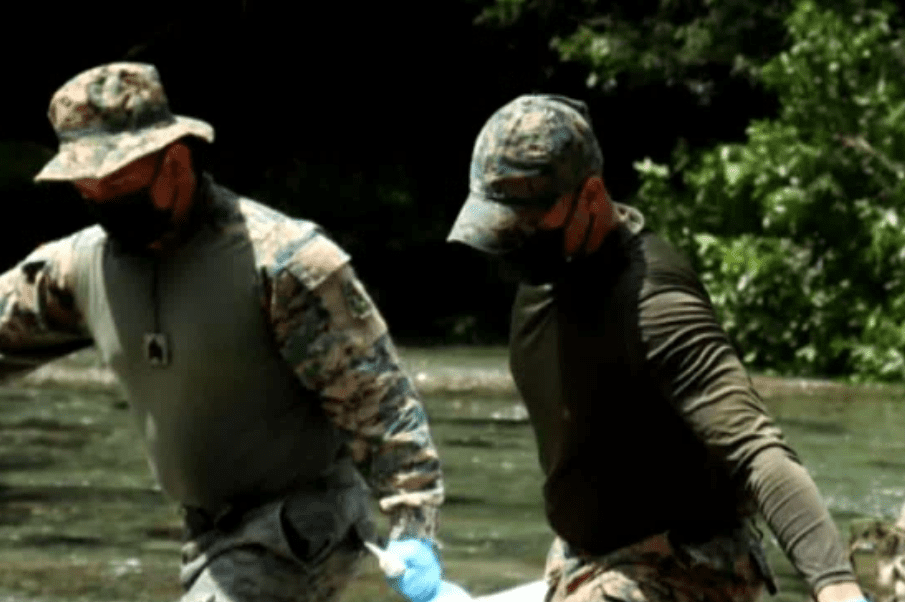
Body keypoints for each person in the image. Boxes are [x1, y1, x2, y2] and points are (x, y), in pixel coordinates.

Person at [0, 61, 451, 602]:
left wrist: (413, 529)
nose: (102, 199)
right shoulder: (79, 267)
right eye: (86, 188)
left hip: (305, 524)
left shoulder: (285, 265)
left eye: (117, 182)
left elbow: (384, 407)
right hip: (206, 529)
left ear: (175, 161)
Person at [446, 94, 868, 602]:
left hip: (686, 569)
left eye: (528, 223)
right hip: (582, 560)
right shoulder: (547, 278)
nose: (511, 241)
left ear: (592, 197)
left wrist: (836, 586)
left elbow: (758, 451)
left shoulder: (653, 303)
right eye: (500, 224)